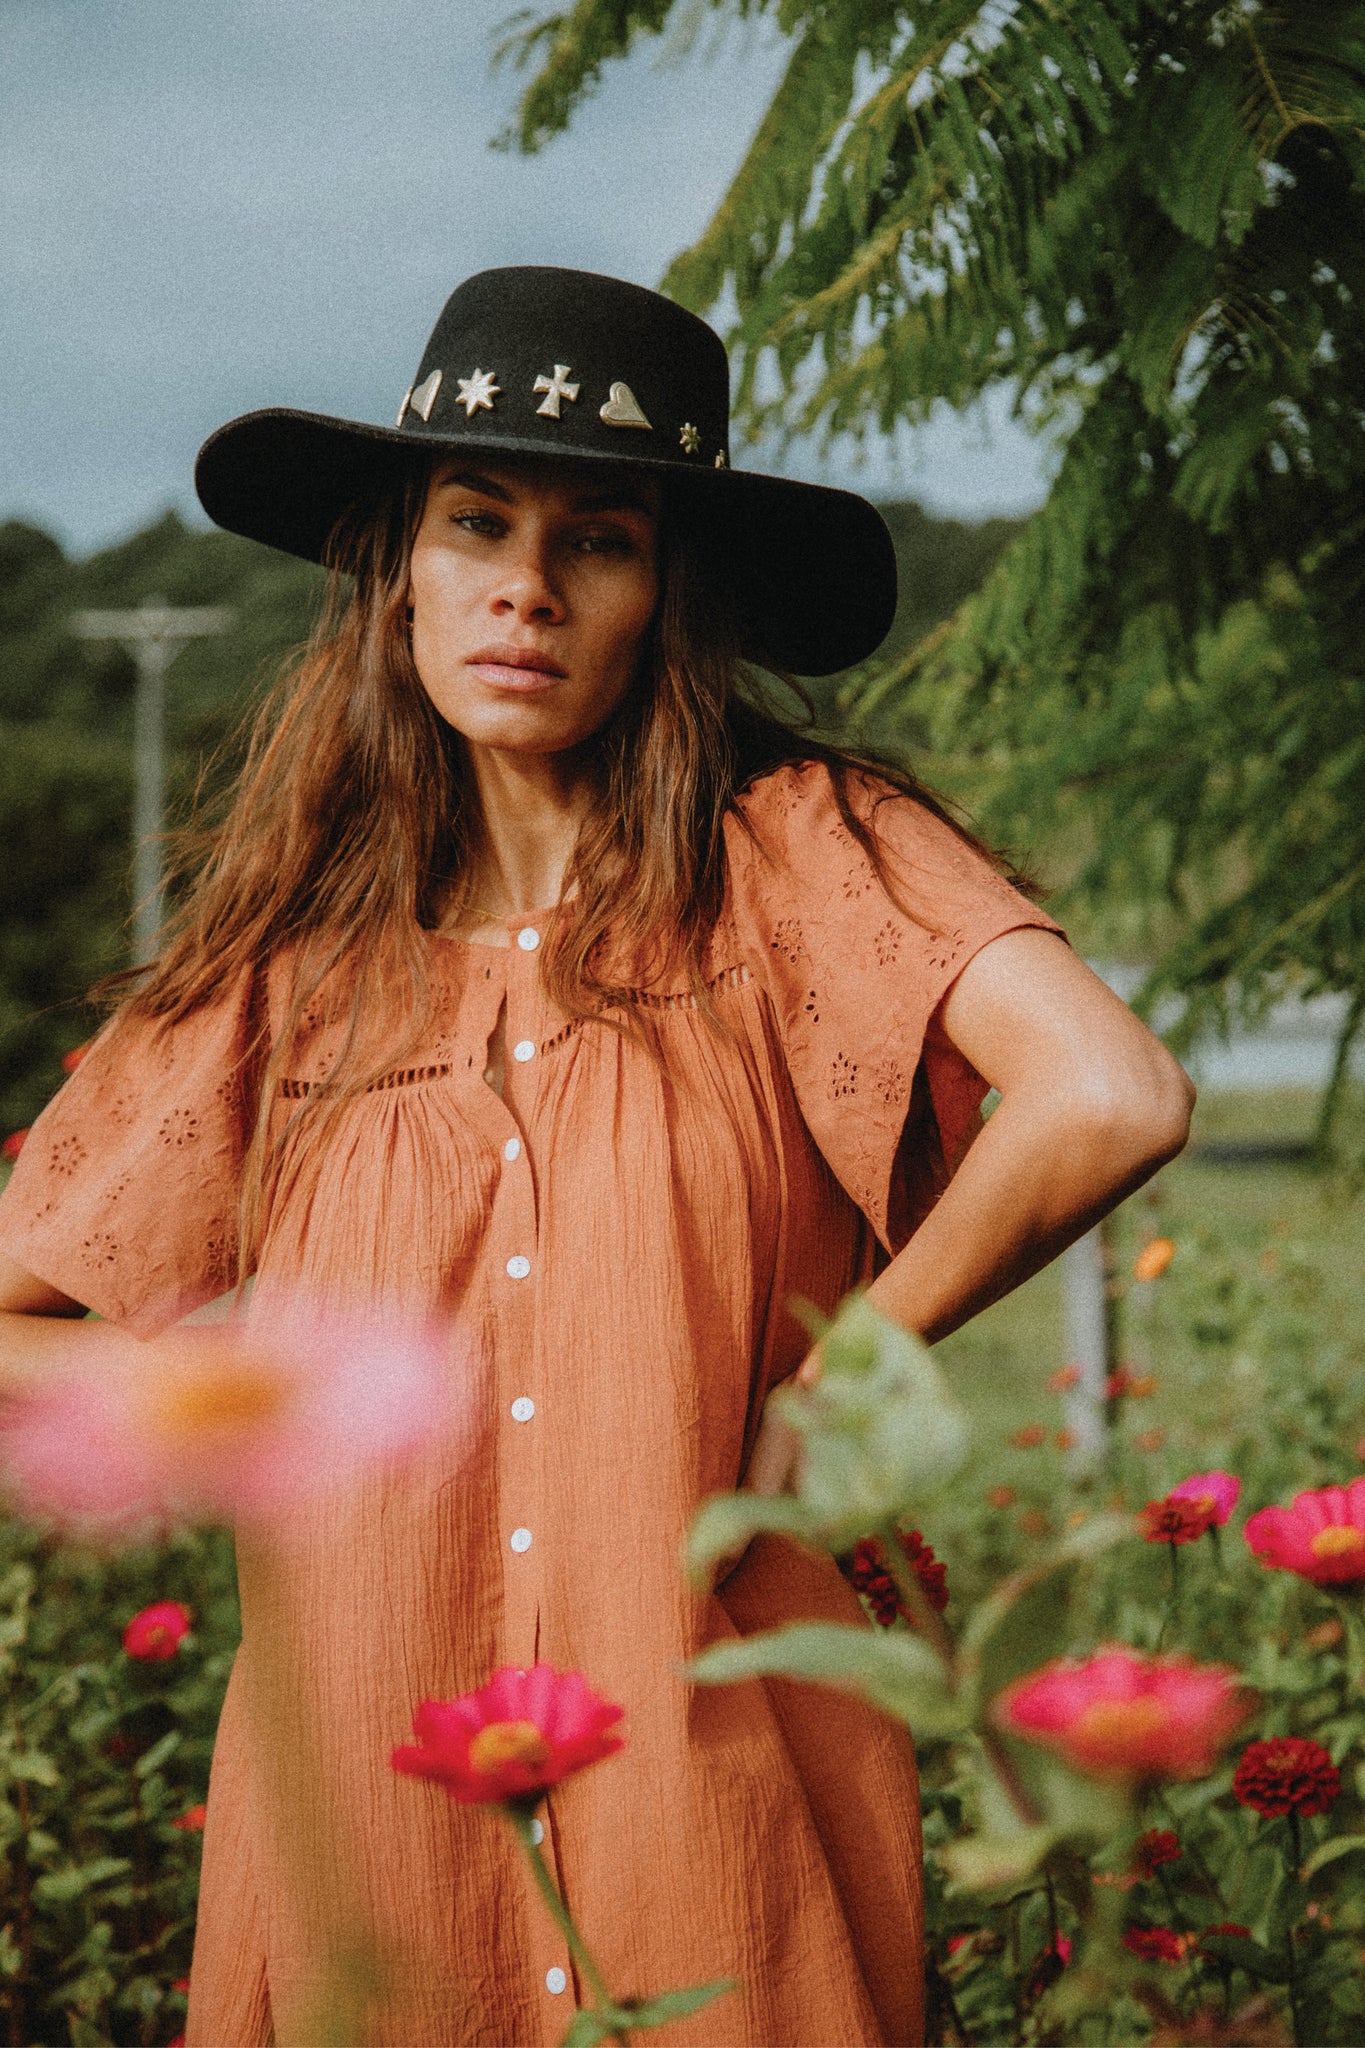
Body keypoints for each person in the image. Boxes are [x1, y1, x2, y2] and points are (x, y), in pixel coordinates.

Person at [0, 267, 1193, 2047]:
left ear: (667, 594)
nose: (527, 589)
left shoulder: (800, 859)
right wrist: (233, 1397)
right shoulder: (287, 974)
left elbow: (1111, 1093)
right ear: (399, 571)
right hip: (371, 1840)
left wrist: (847, 1370)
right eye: (476, 523)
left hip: (722, 1808)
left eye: (600, 542)